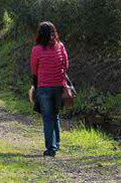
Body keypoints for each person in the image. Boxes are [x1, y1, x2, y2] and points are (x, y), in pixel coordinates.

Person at [29, 21, 69, 156]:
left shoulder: (36, 49)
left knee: (47, 118)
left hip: (44, 87)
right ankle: (56, 144)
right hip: (59, 86)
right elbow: (66, 64)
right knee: (55, 115)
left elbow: (34, 70)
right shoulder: (60, 46)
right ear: (54, 33)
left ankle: (51, 148)